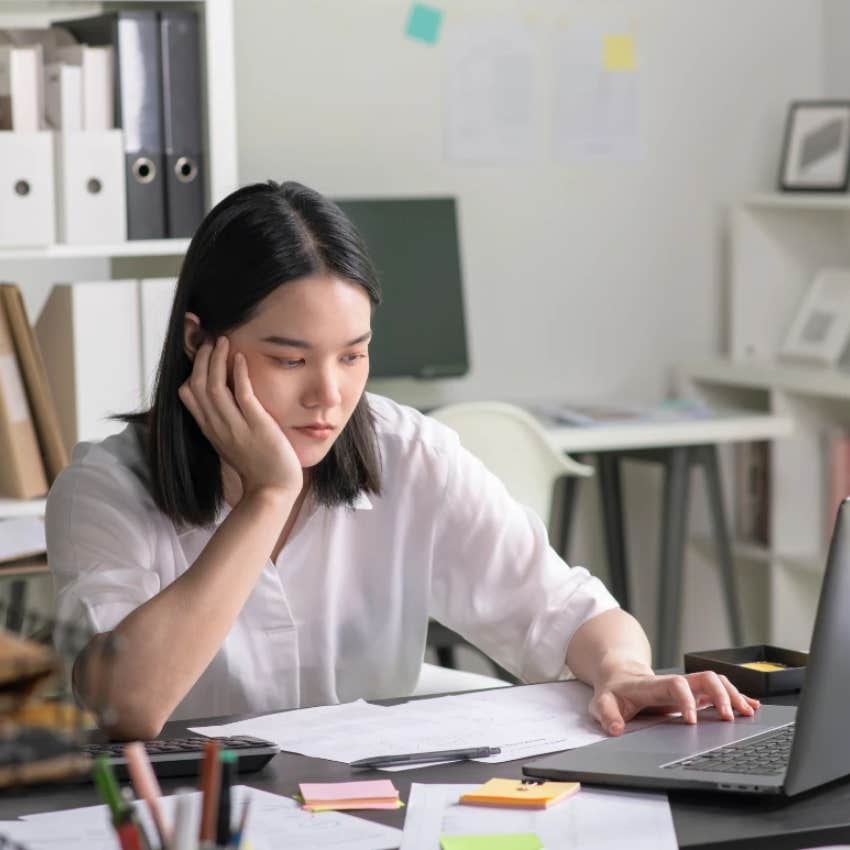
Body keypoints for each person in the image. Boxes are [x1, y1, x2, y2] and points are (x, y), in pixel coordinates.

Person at [46, 181, 759, 740]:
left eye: (353, 355)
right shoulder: (106, 489)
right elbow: (126, 706)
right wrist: (267, 496)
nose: (329, 395)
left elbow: (567, 609)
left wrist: (625, 672)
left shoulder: (407, 451)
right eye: (290, 358)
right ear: (200, 343)